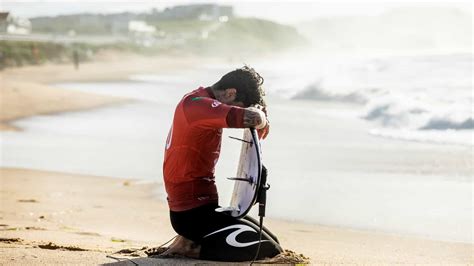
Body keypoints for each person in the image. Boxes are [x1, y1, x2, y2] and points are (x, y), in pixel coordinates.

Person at [162, 66, 282, 261]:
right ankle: (190, 247)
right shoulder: (196, 105)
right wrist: (261, 117)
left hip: (205, 206)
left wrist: (257, 111)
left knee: (271, 240)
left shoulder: (199, 101)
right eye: (240, 105)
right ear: (230, 93)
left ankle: (189, 240)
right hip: (191, 213)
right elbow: (252, 118)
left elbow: (250, 118)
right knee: (267, 249)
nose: (238, 110)